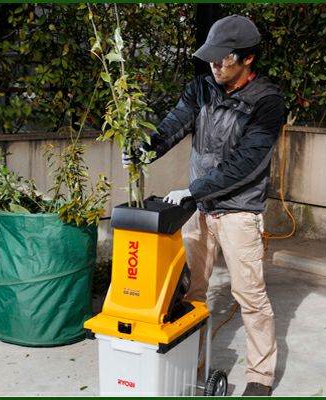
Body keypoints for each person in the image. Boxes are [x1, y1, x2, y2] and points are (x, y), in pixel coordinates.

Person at [122, 14, 285, 396]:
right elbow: (173, 124)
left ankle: (260, 376)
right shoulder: (202, 87)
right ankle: (187, 363)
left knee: (250, 297)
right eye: (211, 56)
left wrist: (194, 189)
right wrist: (145, 151)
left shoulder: (268, 101)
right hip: (198, 209)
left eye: (223, 58)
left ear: (247, 58)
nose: (214, 64)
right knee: (191, 293)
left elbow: (248, 161)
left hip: (239, 211)